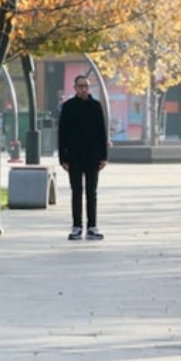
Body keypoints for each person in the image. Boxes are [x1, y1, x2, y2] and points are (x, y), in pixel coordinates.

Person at [58, 73, 109, 240]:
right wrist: (63, 158)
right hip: (74, 156)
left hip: (93, 156)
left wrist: (104, 157)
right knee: (76, 191)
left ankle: (92, 225)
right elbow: (62, 134)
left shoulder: (96, 106)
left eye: (86, 86)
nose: (84, 89)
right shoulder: (68, 107)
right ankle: (77, 226)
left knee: (91, 192)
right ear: (75, 88)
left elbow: (102, 132)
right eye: (80, 86)